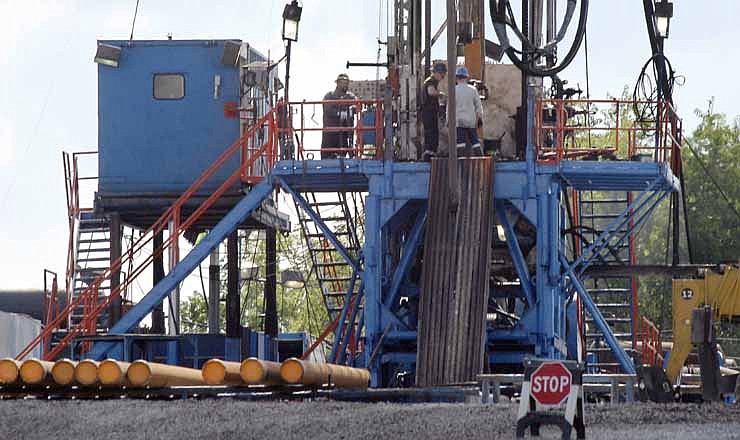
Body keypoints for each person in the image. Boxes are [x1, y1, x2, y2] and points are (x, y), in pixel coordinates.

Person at [321, 73, 357, 159]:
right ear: (338, 83)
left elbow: (357, 105)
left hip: (345, 133)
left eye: (346, 83)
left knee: (343, 152)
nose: (345, 85)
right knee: (327, 156)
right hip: (330, 133)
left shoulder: (350, 96)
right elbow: (327, 109)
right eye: (343, 82)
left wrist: (352, 109)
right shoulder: (329, 96)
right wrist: (339, 113)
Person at [454, 66, 484, 156]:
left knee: (460, 143)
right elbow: (479, 107)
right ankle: (481, 162)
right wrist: (479, 119)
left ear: (456, 77)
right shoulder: (473, 90)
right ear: (466, 77)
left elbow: (449, 107)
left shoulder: (453, 90)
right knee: (475, 142)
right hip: (471, 120)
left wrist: (448, 121)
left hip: (459, 121)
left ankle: (460, 165)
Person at [421, 62, 447, 161]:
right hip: (428, 111)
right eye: (442, 74)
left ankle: (431, 152)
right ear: (437, 73)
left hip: (430, 111)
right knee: (431, 132)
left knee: (433, 132)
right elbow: (431, 92)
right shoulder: (431, 81)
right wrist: (441, 94)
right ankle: (429, 154)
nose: (443, 76)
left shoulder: (432, 81)